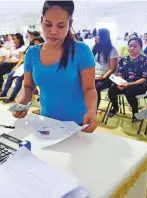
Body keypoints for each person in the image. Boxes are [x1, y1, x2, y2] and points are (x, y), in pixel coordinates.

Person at [13, 0, 97, 133]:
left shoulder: (81, 51)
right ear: (41, 21)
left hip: (77, 124)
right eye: (48, 24)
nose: (53, 31)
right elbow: (28, 86)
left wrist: (92, 111)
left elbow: (89, 88)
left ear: (70, 24)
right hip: (46, 123)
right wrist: (22, 103)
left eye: (61, 26)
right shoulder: (32, 52)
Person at [107, 37, 147, 122]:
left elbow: (144, 79)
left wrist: (128, 85)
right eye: (130, 46)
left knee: (129, 91)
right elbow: (120, 74)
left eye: (135, 46)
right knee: (112, 88)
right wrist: (120, 83)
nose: (131, 48)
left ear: (140, 47)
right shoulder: (123, 60)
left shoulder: (145, 60)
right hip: (124, 83)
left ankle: (135, 113)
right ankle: (115, 108)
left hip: (139, 85)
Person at [0, 36, 45, 104]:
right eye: (34, 44)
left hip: (35, 68)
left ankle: (12, 97)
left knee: (20, 78)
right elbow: (24, 59)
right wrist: (17, 66)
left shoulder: (44, 51)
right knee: (10, 75)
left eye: (38, 44)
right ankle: (4, 93)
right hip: (25, 66)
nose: (36, 46)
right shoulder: (30, 49)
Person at [92, 28, 118, 109]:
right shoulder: (95, 48)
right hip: (95, 75)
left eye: (98, 35)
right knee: (85, 85)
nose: (96, 37)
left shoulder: (112, 50)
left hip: (108, 76)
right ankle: (86, 108)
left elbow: (112, 68)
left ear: (103, 37)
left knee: (96, 88)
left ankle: (94, 111)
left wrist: (102, 77)